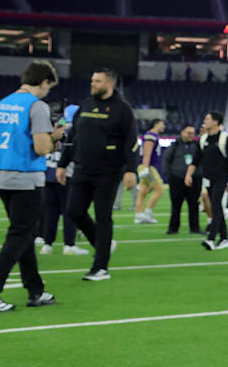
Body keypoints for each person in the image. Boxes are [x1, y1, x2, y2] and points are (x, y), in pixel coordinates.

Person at [0, 61, 64, 312]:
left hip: (1, 173)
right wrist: (55, 137)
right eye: (48, 87)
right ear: (44, 82)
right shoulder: (37, 106)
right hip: (24, 176)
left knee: (25, 232)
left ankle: (35, 290)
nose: (47, 92)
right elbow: (41, 148)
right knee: (20, 234)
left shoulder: (4, 102)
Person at [58, 68, 138, 282]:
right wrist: (62, 164)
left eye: (97, 81)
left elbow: (131, 141)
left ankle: (100, 267)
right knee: (74, 211)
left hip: (108, 171)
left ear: (109, 84)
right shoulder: (85, 105)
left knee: (103, 217)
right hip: (82, 168)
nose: (92, 84)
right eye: (92, 80)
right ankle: (103, 244)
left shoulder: (123, 109)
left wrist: (131, 169)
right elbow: (72, 137)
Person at [187, 111, 228, 251]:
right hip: (208, 178)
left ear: (216, 122)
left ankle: (211, 238)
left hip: (222, 178)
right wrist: (188, 174)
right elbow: (196, 159)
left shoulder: (226, 139)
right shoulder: (203, 139)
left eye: (207, 119)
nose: (205, 121)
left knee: (215, 206)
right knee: (217, 207)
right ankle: (225, 238)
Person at [40, 117, 88, 256]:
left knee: (51, 212)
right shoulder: (71, 132)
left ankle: (47, 244)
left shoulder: (52, 130)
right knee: (69, 211)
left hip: (48, 175)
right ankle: (69, 244)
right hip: (64, 176)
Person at [163, 124, 201, 234]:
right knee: (176, 205)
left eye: (193, 133)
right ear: (182, 132)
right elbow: (166, 160)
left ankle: (194, 228)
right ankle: (173, 228)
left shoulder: (197, 146)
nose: (191, 135)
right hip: (177, 179)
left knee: (194, 205)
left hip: (194, 179)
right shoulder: (174, 146)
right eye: (189, 133)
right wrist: (168, 176)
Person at [134, 119, 166, 224]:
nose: (164, 126)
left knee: (143, 190)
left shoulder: (152, 135)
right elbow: (147, 152)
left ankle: (139, 215)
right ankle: (147, 213)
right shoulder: (151, 135)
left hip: (147, 165)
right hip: (149, 166)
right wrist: (146, 167)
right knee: (160, 189)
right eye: (162, 124)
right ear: (156, 124)